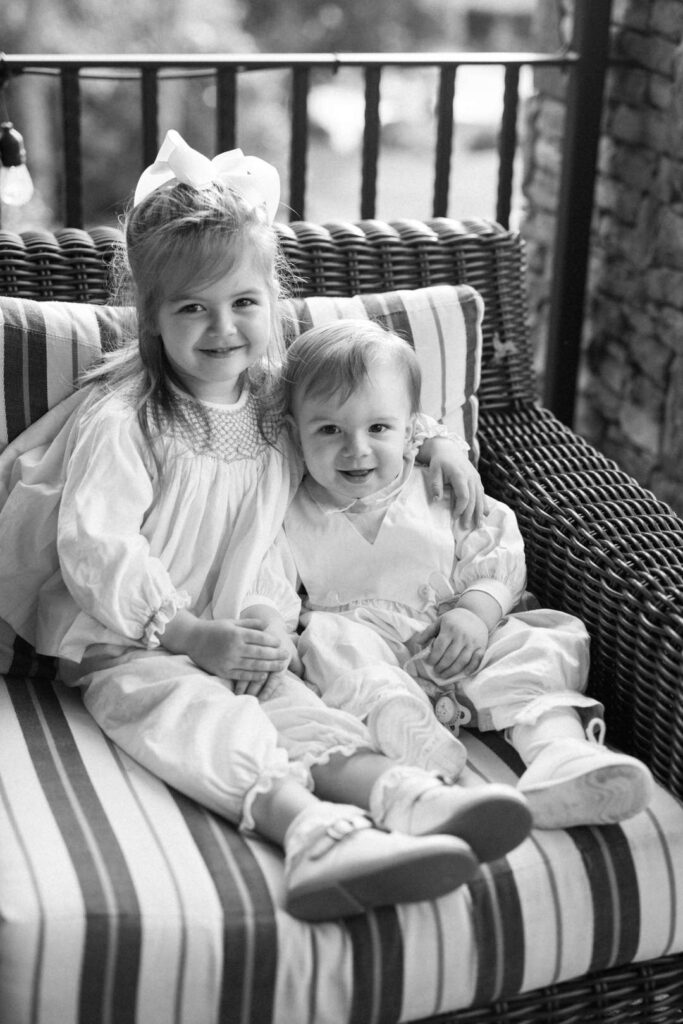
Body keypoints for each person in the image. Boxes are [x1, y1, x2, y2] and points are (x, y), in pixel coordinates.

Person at [0, 131, 532, 923]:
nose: (223, 328)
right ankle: (313, 833)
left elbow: (366, 406)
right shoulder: (129, 419)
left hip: (248, 632)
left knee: (299, 709)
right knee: (194, 718)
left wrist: (436, 439)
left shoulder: (276, 397)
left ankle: (409, 799)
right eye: (192, 308)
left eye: (244, 302)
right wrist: (183, 632)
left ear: (272, 302)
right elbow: (95, 546)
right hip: (135, 640)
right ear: (149, 317)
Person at [264, 318, 655, 830]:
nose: (356, 448)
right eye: (330, 429)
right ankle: (414, 750)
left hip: (463, 636)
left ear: (411, 429)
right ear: (296, 433)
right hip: (374, 654)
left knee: (537, 644)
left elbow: (496, 545)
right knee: (332, 643)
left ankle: (560, 753)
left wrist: (477, 612)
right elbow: (271, 585)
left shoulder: (437, 484)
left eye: (378, 428)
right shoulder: (285, 509)